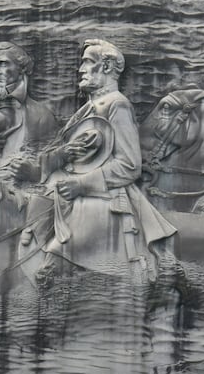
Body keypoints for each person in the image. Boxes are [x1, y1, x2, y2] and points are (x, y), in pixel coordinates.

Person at [25, 39, 176, 278]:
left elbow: (129, 165)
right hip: (66, 190)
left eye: (87, 62)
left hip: (103, 195)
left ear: (106, 67)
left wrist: (81, 184)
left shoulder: (118, 105)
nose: (80, 69)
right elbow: (66, 151)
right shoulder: (86, 109)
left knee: (52, 265)